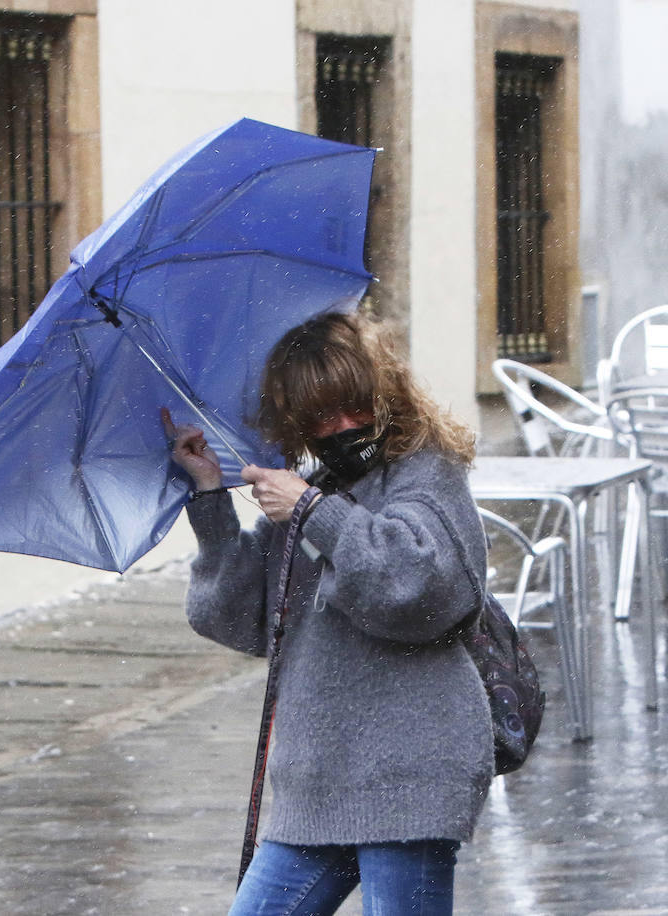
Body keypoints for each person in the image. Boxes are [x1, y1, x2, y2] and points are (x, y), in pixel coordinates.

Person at [162, 311, 493, 915]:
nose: (341, 427)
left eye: (354, 406)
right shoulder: (319, 488)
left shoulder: (426, 472)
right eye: (319, 416)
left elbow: (420, 593)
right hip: (318, 780)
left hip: (409, 770)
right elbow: (244, 618)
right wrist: (211, 497)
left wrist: (314, 511)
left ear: (383, 394)